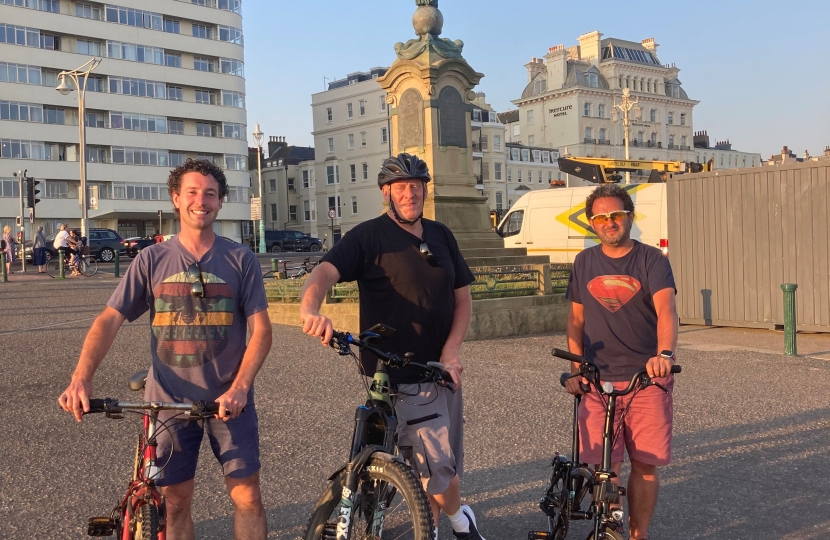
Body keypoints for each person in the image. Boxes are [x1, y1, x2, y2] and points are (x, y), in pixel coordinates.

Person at [58, 159, 273, 540]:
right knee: (175, 504)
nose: (200, 201)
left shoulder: (241, 259)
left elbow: (261, 331)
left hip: (229, 400)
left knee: (248, 498)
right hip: (169, 403)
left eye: (210, 193)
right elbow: (109, 319)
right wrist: (81, 378)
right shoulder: (151, 260)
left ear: (220, 202)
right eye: (192, 192)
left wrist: (240, 387)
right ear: (176, 199)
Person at [300, 153, 485, 540]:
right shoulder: (368, 236)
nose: (410, 193)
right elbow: (324, 272)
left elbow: (463, 298)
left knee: (441, 464)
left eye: (416, 186)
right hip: (389, 368)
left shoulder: (440, 234)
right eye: (400, 187)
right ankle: (449, 522)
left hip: (439, 369)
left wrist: (451, 351)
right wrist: (310, 309)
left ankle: (443, 525)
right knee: (429, 465)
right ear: (386, 192)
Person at [564, 183, 678, 540]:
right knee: (603, 465)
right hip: (598, 380)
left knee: (644, 464)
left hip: (645, 379)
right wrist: (576, 367)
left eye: (616, 215)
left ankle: (637, 535)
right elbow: (576, 321)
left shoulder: (652, 261)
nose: (609, 223)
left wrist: (664, 355)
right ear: (591, 223)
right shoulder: (584, 262)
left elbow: (667, 312)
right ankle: (609, 527)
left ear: (629, 217)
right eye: (600, 217)